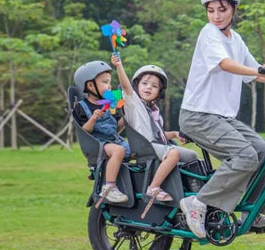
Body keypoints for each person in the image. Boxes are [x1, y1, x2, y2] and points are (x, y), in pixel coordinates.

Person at [178, 0, 265, 238]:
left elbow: (254, 74)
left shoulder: (236, 39)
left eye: (222, 9)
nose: (216, 16)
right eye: (211, 10)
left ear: (234, 9)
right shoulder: (209, 34)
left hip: (221, 117)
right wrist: (260, 69)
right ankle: (198, 203)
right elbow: (226, 64)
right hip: (198, 116)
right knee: (245, 157)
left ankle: (254, 213)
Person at [111, 54, 198, 206]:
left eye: (154, 86)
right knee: (174, 153)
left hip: (156, 145)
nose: (148, 87)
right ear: (137, 85)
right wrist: (119, 66)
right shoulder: (134, 103)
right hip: (144, 147)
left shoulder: (154, 111)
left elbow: (159, 135)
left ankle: (192, 190)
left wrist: (175, 134)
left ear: (159, 92)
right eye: (144, 83)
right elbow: (125, 87)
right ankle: (153, 187)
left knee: (192, 155)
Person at [73, 61, 131, 205]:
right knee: (119, 150)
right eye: (105, 82)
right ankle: (109, 187)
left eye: (110, 82)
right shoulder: (82, 107)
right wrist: (93, 118)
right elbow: (84, 131)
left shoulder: (109, 104)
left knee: (139, 149)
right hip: (97, 143)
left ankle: (137, 184)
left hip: (113, 139)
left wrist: (127, 118)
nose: (109, 86)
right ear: (90, 85)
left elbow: (115, 128)